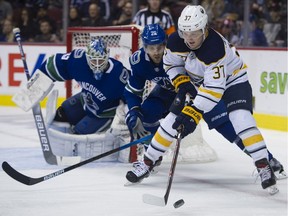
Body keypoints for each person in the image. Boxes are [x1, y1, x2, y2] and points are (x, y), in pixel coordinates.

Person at [125, 5, 284, 194]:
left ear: (204, 28)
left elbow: (214, 90)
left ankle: (263, 165)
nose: (189, 38)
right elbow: (171, 64)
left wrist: (193, 113)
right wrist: (181, 82)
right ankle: (147, 162)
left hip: (233, 81)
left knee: (240, 120)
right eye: (185, 32)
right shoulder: (176, 41)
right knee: (171, 122)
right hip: (199, 84)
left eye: (195, 32)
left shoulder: (214, 47)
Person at [13, 38, 130, 135]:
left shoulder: (118, 75)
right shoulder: (79, 62)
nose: (97, 65)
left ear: (107, 56)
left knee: (76, 138)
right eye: (94, 61)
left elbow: (134, 94)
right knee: (60, 115)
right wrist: (35, 87)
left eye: (101, 61)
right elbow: (52, 64)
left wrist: (127, 115)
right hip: (84, 101)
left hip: (102, 115)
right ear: (87, 57)